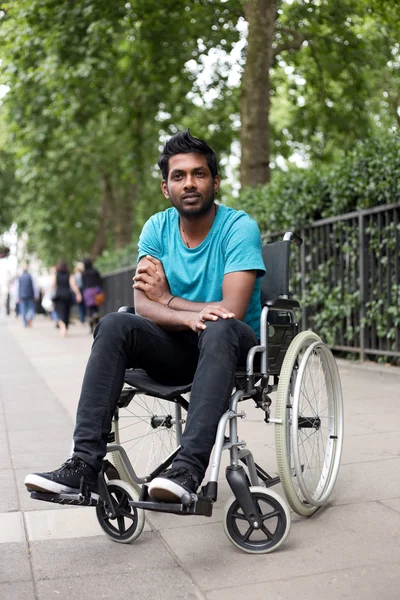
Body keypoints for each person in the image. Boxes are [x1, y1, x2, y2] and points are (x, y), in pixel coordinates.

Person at [24, 130, 265, 503]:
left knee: (218, 327)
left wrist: (168, 298)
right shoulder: (156, 228)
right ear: (165, 187)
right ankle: (84, 463)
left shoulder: (238, 228)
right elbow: (143, 307)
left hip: (230, 349)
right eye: (179, 176)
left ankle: (188, 469)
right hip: (177, 349)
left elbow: (228, 310)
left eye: (199, 174)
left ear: (215, 182)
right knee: (115, 323)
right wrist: (185, 314)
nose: (189, 183)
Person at [51, 261, 81, 337]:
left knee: (59, 312)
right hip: (67, 296)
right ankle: (65, 328)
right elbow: (73, 285)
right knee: (67, 312)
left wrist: (50, 293)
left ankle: (62, 325)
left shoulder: (56, 275)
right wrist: (78, 294)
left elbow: (53, 285)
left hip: (59, 296)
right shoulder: (69, 275)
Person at [81, 258, 103, 333]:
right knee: (96, 308)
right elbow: (100, 280)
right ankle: (98, 326)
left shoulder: (83, 273)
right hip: (96, 290)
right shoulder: (95, 271)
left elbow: (83, 284)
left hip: (88, 292)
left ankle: (91, 328)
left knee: (89, 310)